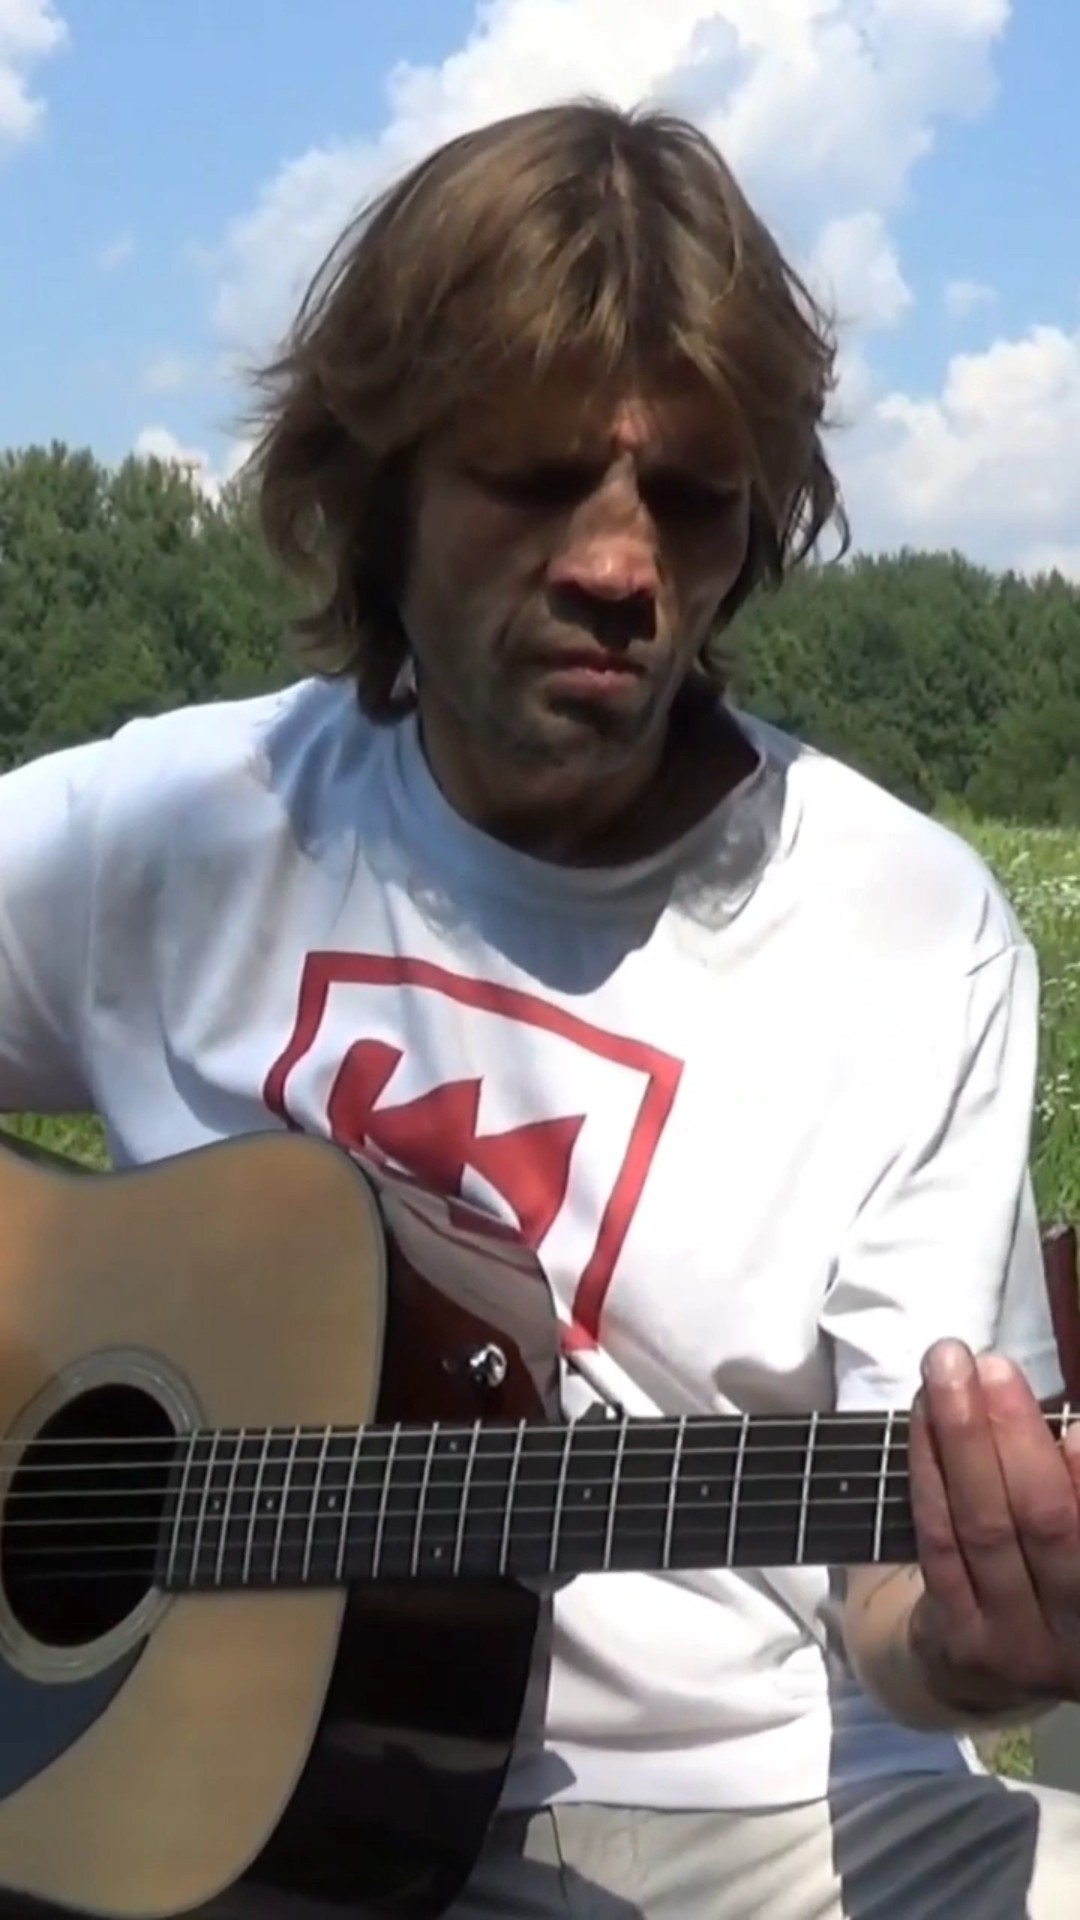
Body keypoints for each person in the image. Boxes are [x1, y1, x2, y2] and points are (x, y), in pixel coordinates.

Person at [2, 99, 1079, 1919]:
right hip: (159, 1808)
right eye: (533, 478)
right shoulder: (174, 830)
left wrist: (983, 1646)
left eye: (693, 498)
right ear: (379, 488)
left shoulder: (913, 930)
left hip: (760, 1823)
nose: (617, 565)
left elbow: (901, 1616)